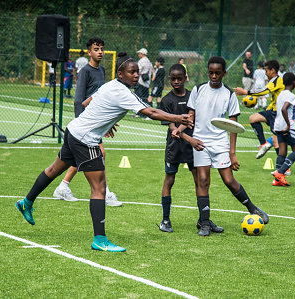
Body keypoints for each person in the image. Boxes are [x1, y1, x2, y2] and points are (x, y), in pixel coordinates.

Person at [15, 52, 193, 252]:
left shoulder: (110, 85)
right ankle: (99, 239)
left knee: (54, 170)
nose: (136, 75)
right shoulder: (122, 93)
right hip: (86, 141)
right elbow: (151, 112)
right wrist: (178, 119)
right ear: (120, 73)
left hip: (74, 131)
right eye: (131, 72)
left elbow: (87, 103)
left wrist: (105, 121)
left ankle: (26, 202)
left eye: (137, 72)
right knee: (99, 188)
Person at [173, 56, 269, 236]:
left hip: (220, 143)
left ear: (224, 73)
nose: (214, 76)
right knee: (203, 180)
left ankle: (253, 208)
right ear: (208, 72)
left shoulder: (229, 94)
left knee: (229, 180)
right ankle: (205, 223)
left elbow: (233, 125)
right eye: (211, 73)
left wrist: (232, 153)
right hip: (201, 142)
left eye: (218, 73)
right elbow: (190, 116)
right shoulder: (198, 89)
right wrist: (180, 128)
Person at [53, 37, 121, 206]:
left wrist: (108, 122)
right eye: (96, 49)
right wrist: (81, 123)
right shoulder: (85, 71)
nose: (100, 52)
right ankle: (104, 193)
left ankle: (63, 186)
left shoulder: (102, 70)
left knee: (82, 157)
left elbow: (101, 99)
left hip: (97, 121)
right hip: (85, 124)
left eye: (102, 49)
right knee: (100, 153)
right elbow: (78, 100)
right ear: (89, 52)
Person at [157, 63, 198, 233]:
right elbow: (171, 126)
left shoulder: (192, 97)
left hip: (192, 147)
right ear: (169, 79)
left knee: (200, 181)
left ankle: (204, 219)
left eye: (179, 78)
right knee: (169, 180)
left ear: (185, 78)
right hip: (174, 147)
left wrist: (180, 130)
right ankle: (165, 220)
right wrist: (178, 130)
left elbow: (191, 118)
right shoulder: (166, 100)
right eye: (173, 79)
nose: (176, 81)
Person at [234, 60, 285, 160]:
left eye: (266, 71)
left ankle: (284, 168)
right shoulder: (273, 80)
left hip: (278, 114)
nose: (265, 74)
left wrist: (245, 92)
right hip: (272, 111)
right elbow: (275, 99)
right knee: (253, 118)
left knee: (276, 141)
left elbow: (264, 91)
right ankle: (263, 144)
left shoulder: (277, 80)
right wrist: (269, 108)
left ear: (273, 70)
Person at [271, 72, 295, 187]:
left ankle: (277, 180)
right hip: (286, 127)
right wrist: (288, 125)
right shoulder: (290, 95)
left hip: (278, 126)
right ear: (294, 82)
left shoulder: (281, 94)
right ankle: (280, 172)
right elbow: (285, 109)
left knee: (282, 152)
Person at [134, 48, 152, 113]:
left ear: (142, 54)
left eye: (139, 53)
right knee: (145, 97)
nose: (139, 54)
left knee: (139, 97)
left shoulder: (141, 61)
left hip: (140, 81)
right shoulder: (149, 61)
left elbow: (138, 70)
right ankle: (145, 112)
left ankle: (139, 112)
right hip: (146, 82)